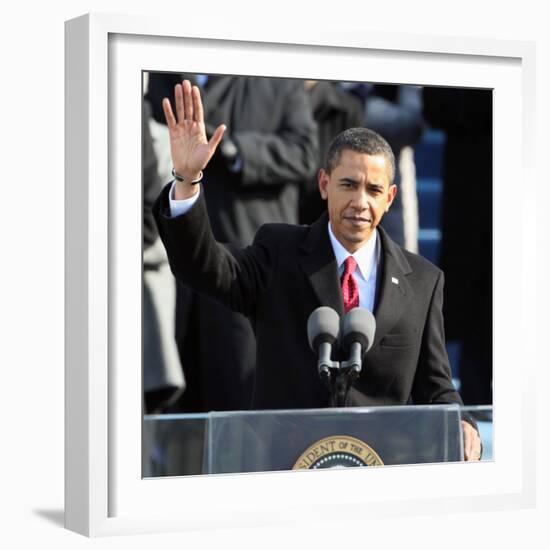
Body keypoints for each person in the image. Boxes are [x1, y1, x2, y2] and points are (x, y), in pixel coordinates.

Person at [152, 80, 481, 461]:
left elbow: (437, 387)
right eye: (348, 184)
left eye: (374, 190)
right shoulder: (279, 253)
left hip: (378, 475)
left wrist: (464, 422)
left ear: (390, 197)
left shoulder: (423, 281)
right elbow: (206, 268)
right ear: (324, 185)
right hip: (286, 471)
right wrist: (187, 181)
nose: (360, 201)